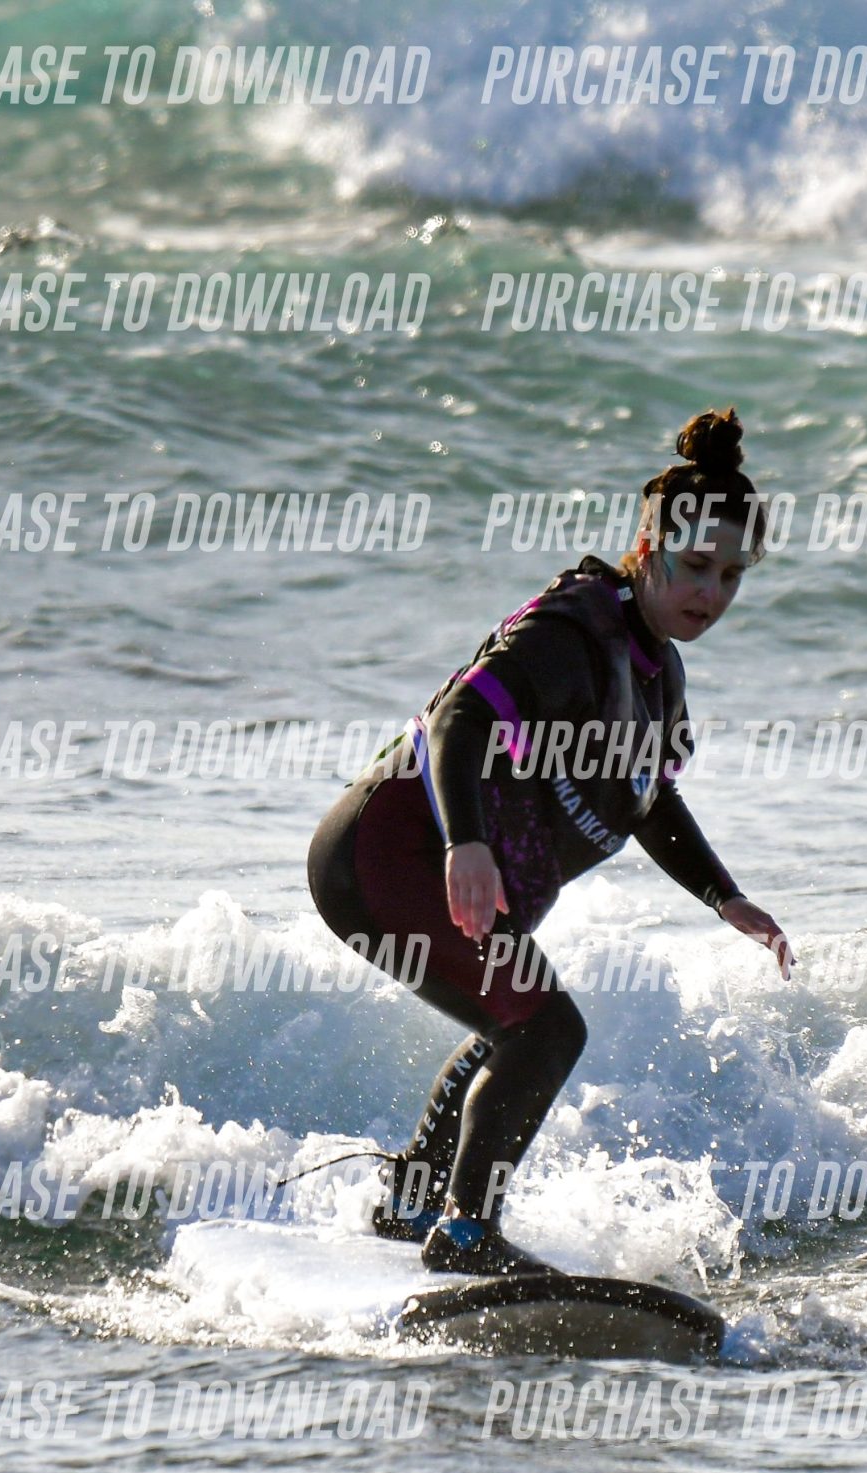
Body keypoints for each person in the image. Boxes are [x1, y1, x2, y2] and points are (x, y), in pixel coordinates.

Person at [306, 407, 792, 1276]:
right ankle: (465, 1233)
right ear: (648, 546)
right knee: (546, 1029)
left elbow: (649, 802)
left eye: (731, 575)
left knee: (516, 1024)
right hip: (388, 849)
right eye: (694, 566)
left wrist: (725, 896)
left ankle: (415, 1201)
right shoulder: (575, 629)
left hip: (422, 860)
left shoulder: (658, 676)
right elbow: (461, 715)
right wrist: (465, 843)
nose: (711, 594)